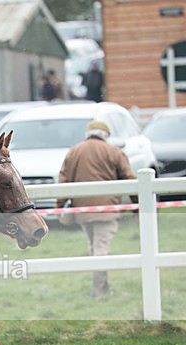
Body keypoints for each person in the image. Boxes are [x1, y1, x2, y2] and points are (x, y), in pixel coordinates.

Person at [56, 120, 136, 299]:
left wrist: (59, 206)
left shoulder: (74, 151)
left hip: (82, 210)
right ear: (106, 135)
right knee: (101, 250)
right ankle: (99, 291)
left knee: (94, 248)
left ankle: (103, 287)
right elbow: (129, 179)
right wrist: (138, 205)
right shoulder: (114, 152)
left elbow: (64, 180)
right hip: (106, 209)